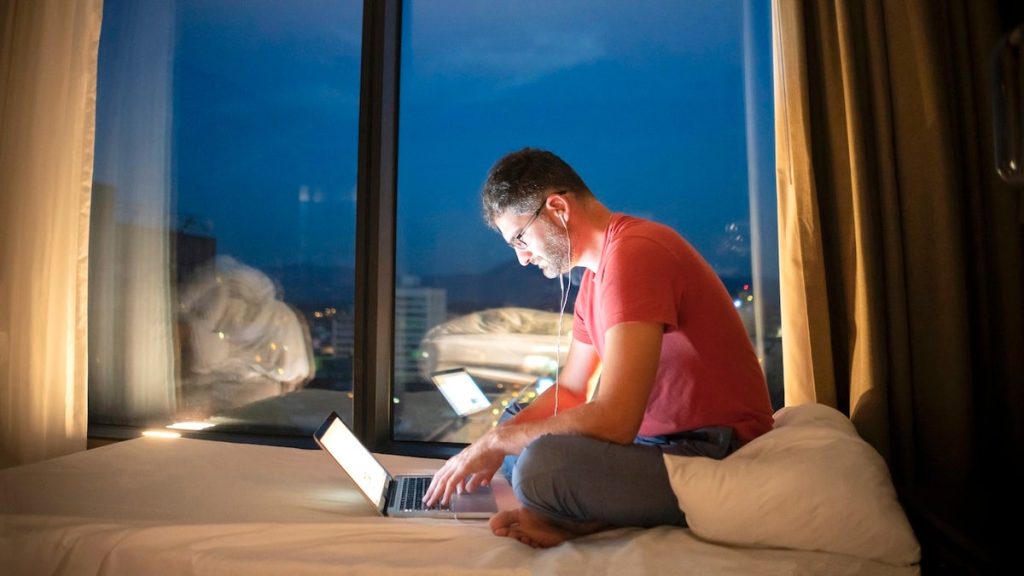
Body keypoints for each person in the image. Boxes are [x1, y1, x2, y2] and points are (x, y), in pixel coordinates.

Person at [423, 148, 774, 548]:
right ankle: (579, 514)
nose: (521, 259)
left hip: (714, 451)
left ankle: (577, 514)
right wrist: (490, 441)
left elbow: (615, 420)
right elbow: (571, 390)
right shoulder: (593, 281)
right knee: (515, 423)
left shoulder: (636, 252)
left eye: (520, 238)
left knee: (540, 467)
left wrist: (497, 443)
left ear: (558, 208)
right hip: (655, 445)